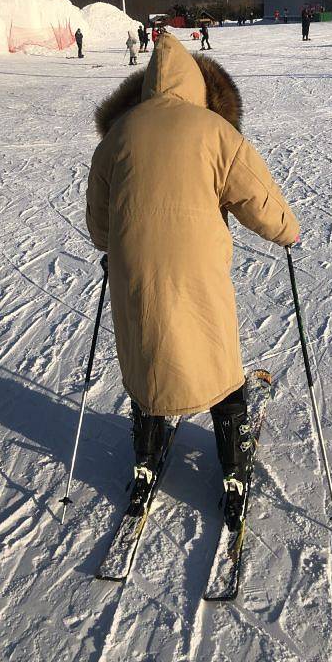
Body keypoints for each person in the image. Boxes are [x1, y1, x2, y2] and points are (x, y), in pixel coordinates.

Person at [85, 33, 299, 511]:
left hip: (133, 266)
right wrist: (287, 231)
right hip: (199, 269)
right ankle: (233, 454)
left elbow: (99, 218)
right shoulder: (215, 130)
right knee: (215, 355)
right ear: (200, 87)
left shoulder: (120, 133)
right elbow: (257, 197)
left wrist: (113, 247)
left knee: (147, 353)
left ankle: (146, 448)